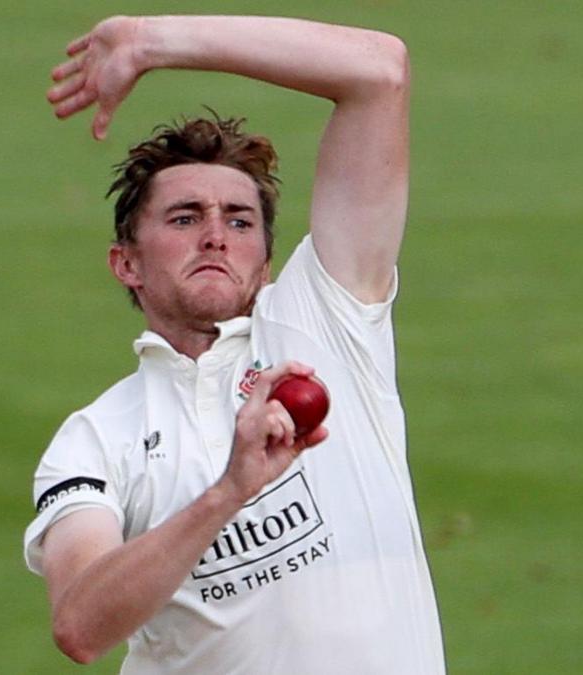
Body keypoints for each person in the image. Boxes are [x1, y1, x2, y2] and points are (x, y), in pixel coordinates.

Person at [23, 15, 445, 674]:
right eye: (185, 217)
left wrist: (151, 42)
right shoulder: (97, 439)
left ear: (268, 261)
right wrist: (230, 490)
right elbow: (80, 625)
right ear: (126, 263)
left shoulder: (325, 320)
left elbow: (379, 71)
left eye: (240, 220)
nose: (216, 235)